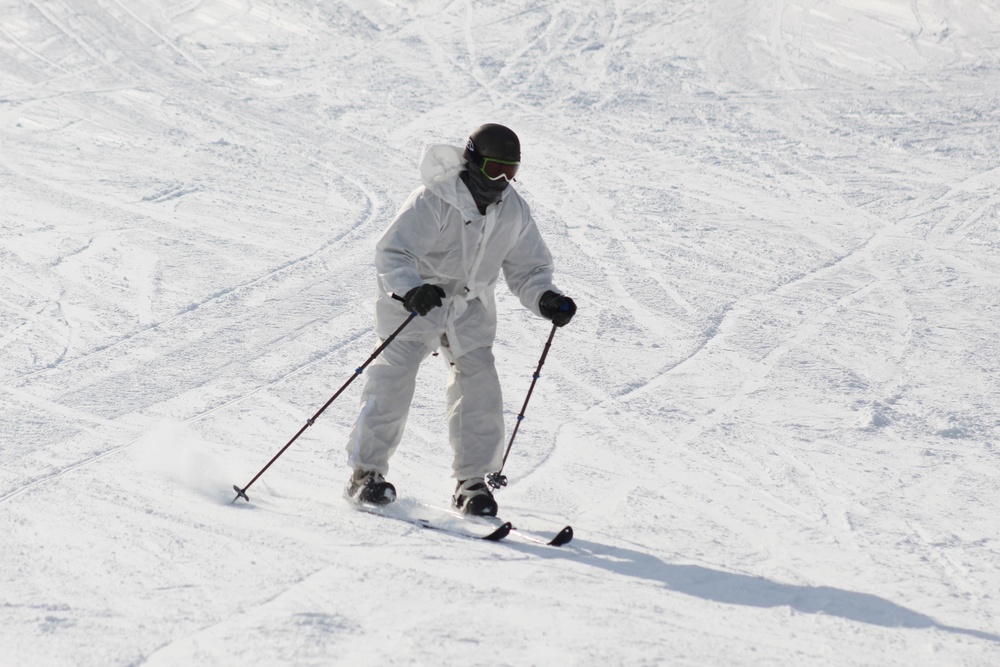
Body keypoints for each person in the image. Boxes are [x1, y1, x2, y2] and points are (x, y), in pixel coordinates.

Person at [344, 123, 576, 517]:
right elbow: (393, 253)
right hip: (418, 301)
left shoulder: (512, 210)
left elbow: (528, 269)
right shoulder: (434, 201)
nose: (502, 181)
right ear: (473, 163)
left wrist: (546, 297)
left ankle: (472, 483)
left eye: (511, 172)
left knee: (480, 384)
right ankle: (365, 475)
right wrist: (410, 288)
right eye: (494, 171)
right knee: (394, 378)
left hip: (469, 307)